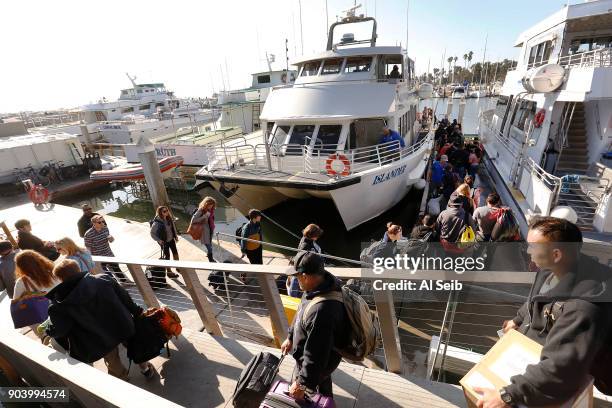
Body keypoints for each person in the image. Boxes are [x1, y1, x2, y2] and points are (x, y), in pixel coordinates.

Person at [476, 217, 612, 407]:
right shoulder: (549, 270)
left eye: (533, 246)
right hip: (531, 363)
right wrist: (518, 319)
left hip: (546, 387)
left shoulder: (585, 307)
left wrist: (507, 396)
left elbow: (562, 369)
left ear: (556, 255)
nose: (528, 250)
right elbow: (537, 299)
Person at [44, 259, 154, 380]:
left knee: (112, 361)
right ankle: (145, 369)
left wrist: (49, 330)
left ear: (60, 279)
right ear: (79, 269)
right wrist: (138, 312)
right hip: (122, 324)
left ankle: (122, 380)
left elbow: (60, 330)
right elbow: (125, 298)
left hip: (98, 339)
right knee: (135, 346)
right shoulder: (103, 279)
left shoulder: (59, 305)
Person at [280, 252, 350, 400]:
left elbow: (316, 354)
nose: (295, 279)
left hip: (317, 364)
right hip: (319, 363)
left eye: (296, 276)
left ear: (305, 276)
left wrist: (302, 384)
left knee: (302, 395)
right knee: (323, 387)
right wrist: (290, 336)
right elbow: (301, 312)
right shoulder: (317, 287)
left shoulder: (322, 311)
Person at [13, 250, 59, 336]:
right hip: (62, 312)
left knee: (51, 339)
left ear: (20, 266)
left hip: (44, 320)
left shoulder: (22, 282)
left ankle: (45, 337)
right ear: (39, 259)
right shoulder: (54, 270)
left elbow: (17, 304)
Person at [83, 215, 126, 282]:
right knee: (107, 274)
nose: (102, 223)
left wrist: (111, 239)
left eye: (103, 221)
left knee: (116, 268)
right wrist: (91, 260)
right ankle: (114, 283)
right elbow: (88, 248)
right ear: (94, 224)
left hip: (109, 254)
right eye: (99, 222)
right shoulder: (88, 234)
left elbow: (111, 241)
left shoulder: (105, 228)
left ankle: (124, 281)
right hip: (99, 258)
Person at [287, 224, 324, 297]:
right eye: (317, 235)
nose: (318, 237)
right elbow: (304, 262)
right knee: (295, 289)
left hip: (302, 268)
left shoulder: (306, 239)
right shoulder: (305, 246)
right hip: (303, 269)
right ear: (313, 235)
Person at [150, 206, 180, 278]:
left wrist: (175, 236)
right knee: (167, 256)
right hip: (164, 242)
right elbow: (152, 233)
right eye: (164, 211)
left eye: (167, 210)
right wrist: (159, 240)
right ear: (160, 213)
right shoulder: (157, 223)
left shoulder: (169, 218)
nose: (166, 212)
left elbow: (173, 228)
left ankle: (178, 267)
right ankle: (169, 273)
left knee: (175, 253)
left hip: (171, 239)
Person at [191, 197, 216, 263]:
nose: (211, 206)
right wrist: (204, 216)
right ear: (206, 204)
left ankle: (209, 254)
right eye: (210, 205)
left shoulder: (211, 210)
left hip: (210, 230)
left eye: (212, 205)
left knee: (210, 244)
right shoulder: (201, 210)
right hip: (204, 231)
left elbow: (211, 219)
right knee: (209, 247)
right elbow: (193, 220)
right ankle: (211, 259)